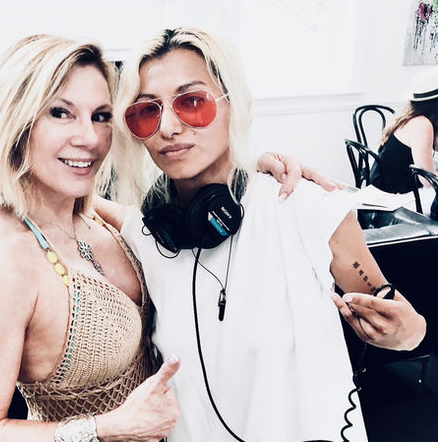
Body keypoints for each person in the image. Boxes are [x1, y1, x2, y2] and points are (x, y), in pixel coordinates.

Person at [0, 33, 327, 442]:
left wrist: (250, 170)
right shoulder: (0, 260)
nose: (90, 138)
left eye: (100, 116)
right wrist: (107, 429)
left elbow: (165, 216)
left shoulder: (87, 213)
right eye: (60, 113)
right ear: (13, 120)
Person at [106, 27, 427, 442]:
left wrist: (406, 332)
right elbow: (61, 195)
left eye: (192, 102)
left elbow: (401, 319)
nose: (167, 127)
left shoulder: (304, 207)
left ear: (237, 105)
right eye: (147, 111)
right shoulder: (148, 234)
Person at [369, 67, 438, 219]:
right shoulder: (422, 124)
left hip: (386, 187)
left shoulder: (410, 116)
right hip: (398, 198)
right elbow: (427, 180)